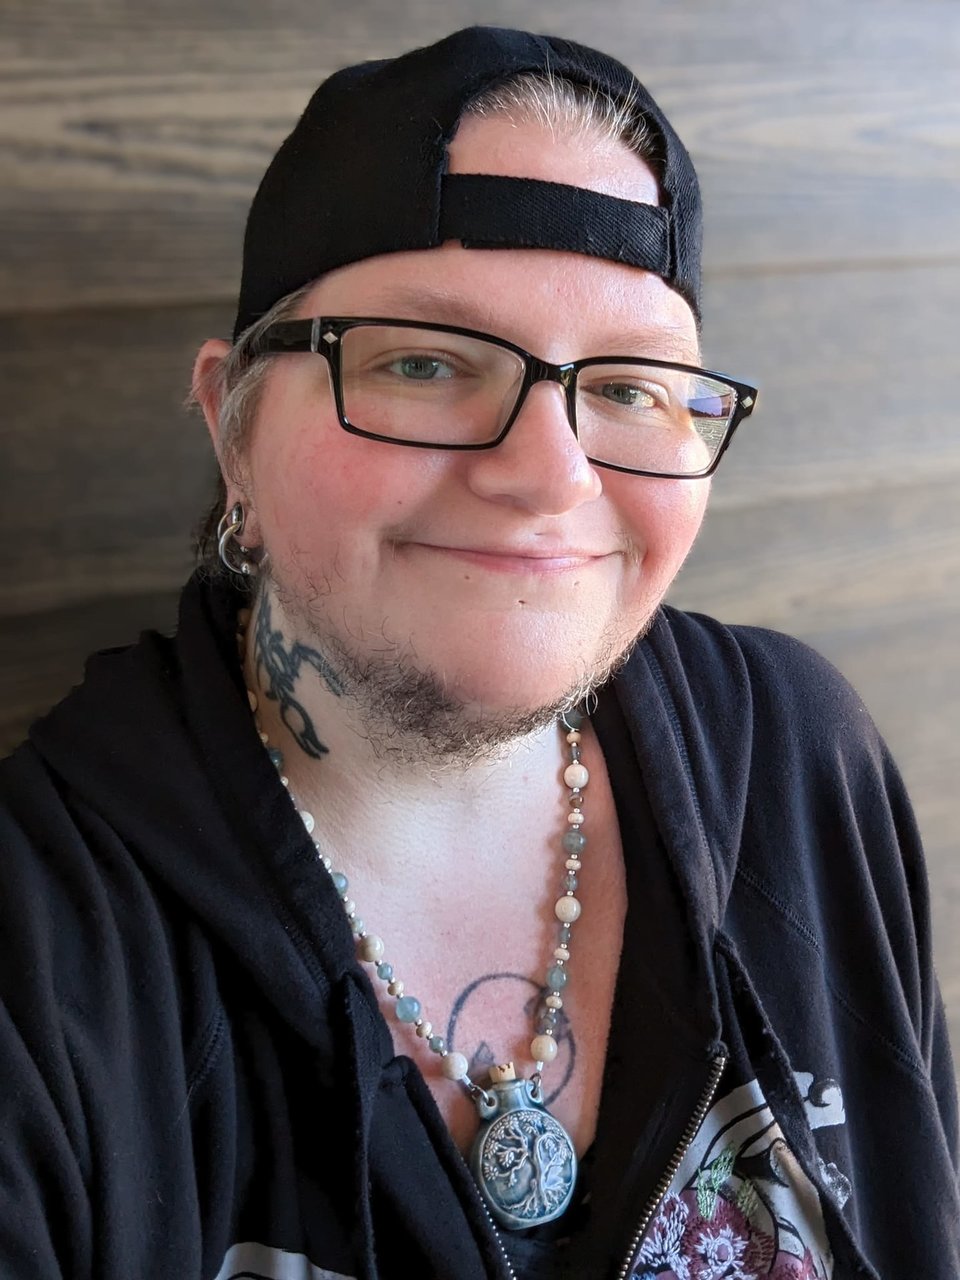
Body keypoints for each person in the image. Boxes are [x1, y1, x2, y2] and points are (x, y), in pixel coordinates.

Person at [0, 24, 956, 1280]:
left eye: (629, 386)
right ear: (233, 425)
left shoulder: (798, 755)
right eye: (425, 361)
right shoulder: (44, 951)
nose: (550, 474)